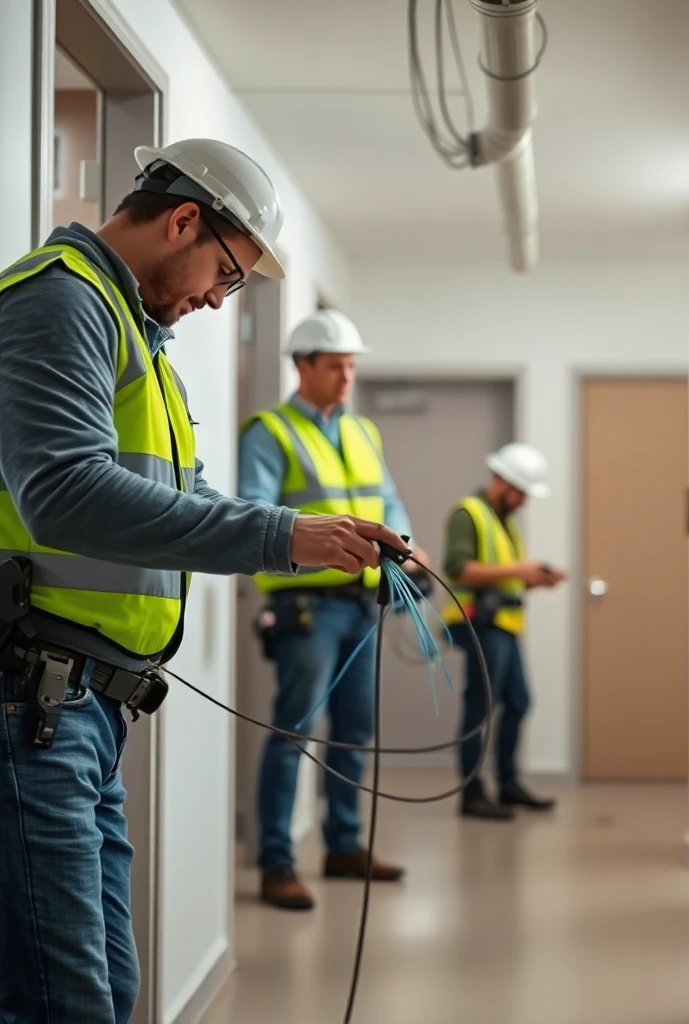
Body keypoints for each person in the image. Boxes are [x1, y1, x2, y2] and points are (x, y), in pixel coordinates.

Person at [0, 138, 406, 1024]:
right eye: (224, 277)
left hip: (88, 712)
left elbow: (179, 494)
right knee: (62, 1001)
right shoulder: (61, 300)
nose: (216, 303)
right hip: (32, 705)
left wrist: (317, 535)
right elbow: (63, 495)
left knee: (107, 989)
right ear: (182, 219)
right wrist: (279, 534)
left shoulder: (135, 333)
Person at [238, 309, 428, 910]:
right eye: (336, 366)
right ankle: (276, 861)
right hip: (306, 608)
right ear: (303, 367)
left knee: (354, 730)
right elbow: (255, 517)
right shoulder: (269, 432)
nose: (347, 377)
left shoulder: (364, 432)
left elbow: (390, 503)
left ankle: (344, 846)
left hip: (360, 606)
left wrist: (403, 544)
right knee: (293, 730)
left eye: (352, 366)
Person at [441, 443, 567, 821]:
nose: (525, 501)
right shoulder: (469, 513)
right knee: (480, 708)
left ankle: (508, 784)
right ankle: (472, 793)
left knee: (518, 702)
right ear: (504, 482)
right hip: (479, 623)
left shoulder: (504, 522)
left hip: (504, 625)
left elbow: (504, 578)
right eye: (522, 493)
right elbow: (458, 569)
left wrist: (535, 580)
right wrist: (520, 571)